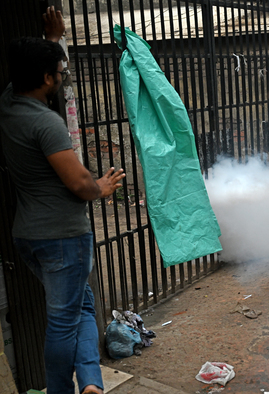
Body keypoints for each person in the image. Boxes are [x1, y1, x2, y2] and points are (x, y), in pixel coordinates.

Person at [0, 7, 125, 394]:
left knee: (81, 308)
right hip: (63, 239)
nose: (61, 77)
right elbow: (78, 182)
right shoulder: (46, 123)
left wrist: (52, 41)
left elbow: (32, 69)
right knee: (62, 321)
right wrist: (100, 188)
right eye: (59, 72)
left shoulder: (8, 104)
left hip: (29, 237)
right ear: (44, 78)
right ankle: (60, 390)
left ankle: (91, 383)